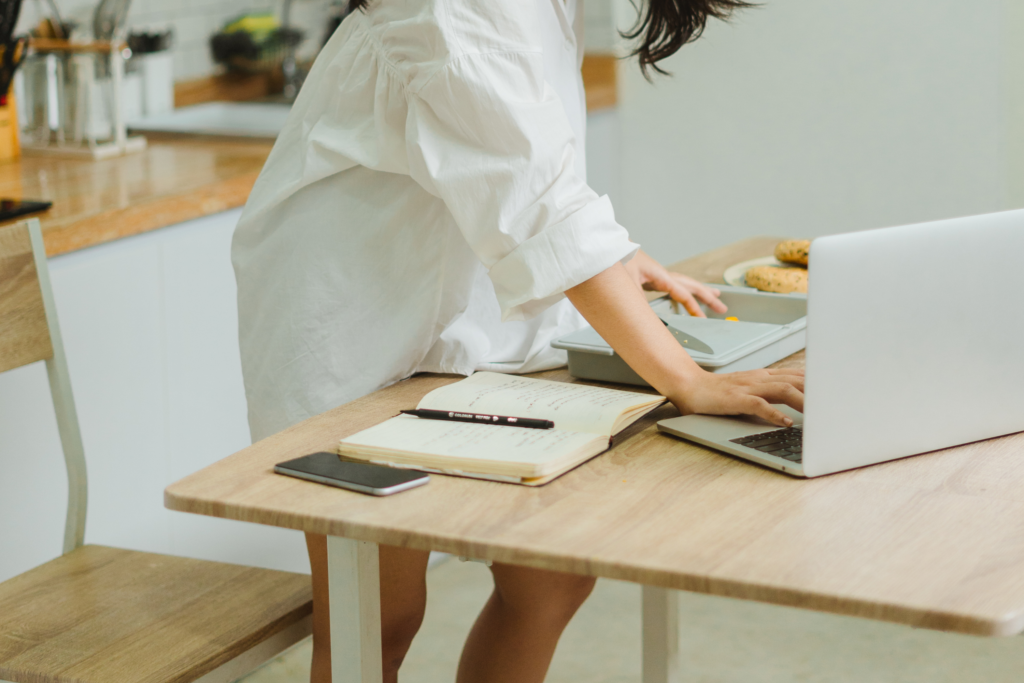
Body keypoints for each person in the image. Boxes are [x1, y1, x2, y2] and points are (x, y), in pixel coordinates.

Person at [231, 0, 801, 680]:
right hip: (351, 330)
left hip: (461, 310)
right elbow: (543, 204)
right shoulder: (449, 8)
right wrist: (688, 379)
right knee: (376, 617)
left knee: (550, 577)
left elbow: (523, 165)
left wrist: (612, 257)